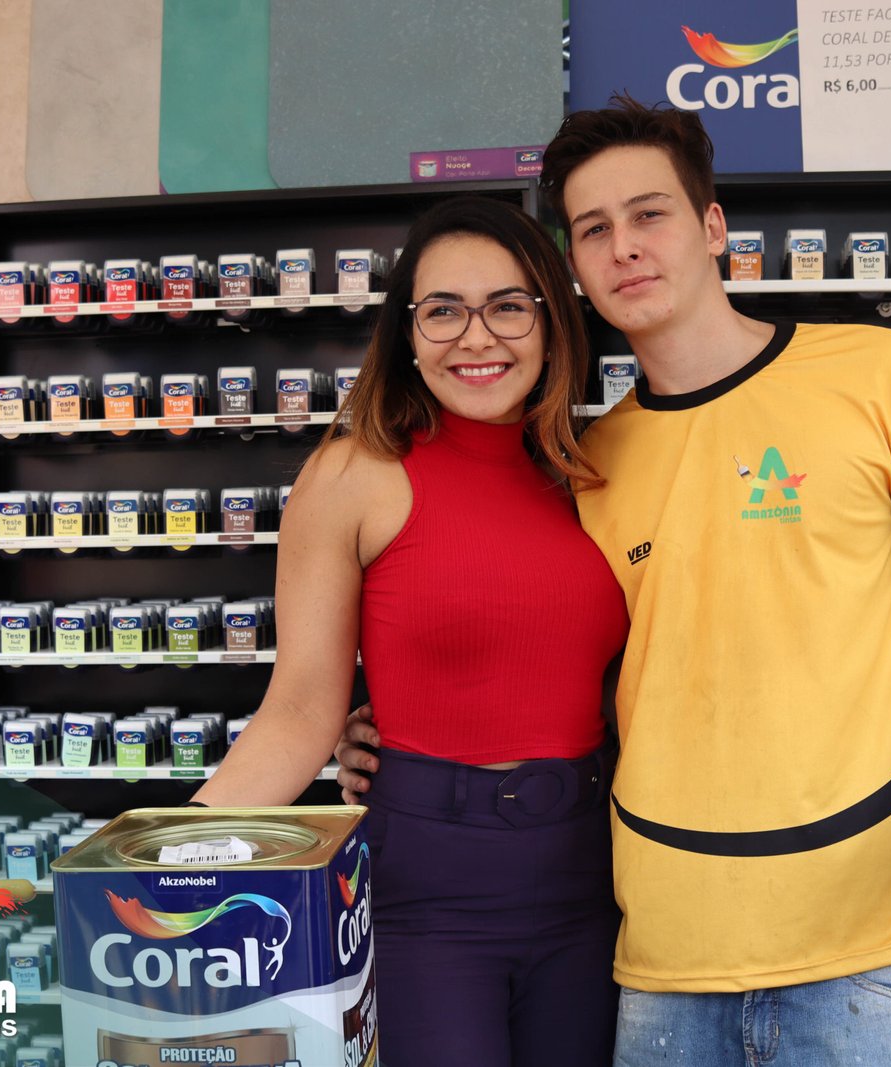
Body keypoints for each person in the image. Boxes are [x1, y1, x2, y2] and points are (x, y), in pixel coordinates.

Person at [338, 98, 891, 1064]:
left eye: (649, 213)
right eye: (593, 229)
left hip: (863, 944)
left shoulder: (878, 374)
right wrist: (391, 729)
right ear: (575, 269)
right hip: (661, 958)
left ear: (712, 226)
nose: (624, 246)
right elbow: (536, 653)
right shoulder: (582, 464)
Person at [190, 195, 628, 1066]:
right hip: (426, 893)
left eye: (508, 306)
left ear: (552, 324)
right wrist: (174, 855)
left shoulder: (601, 471)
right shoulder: (353, 474)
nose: (477, 337)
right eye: (444, 311)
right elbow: (299, 710)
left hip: (593, 880)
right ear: (407, 331)